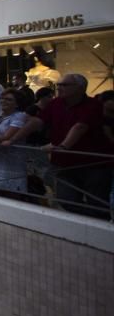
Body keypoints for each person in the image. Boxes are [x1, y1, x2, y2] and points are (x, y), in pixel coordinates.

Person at [35, 74, 112, 217]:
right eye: (58, 85)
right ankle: (88, 221)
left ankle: (98, 226)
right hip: (65, 163)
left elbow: (80, 127)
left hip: (93, 164)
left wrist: (63, 147)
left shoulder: (93, 105)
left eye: (65, 85)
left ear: (81, 88)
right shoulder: (56, 103)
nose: (59, 88)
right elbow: (38, 121)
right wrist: (13, 137)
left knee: (97, 201)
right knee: (66, 200)